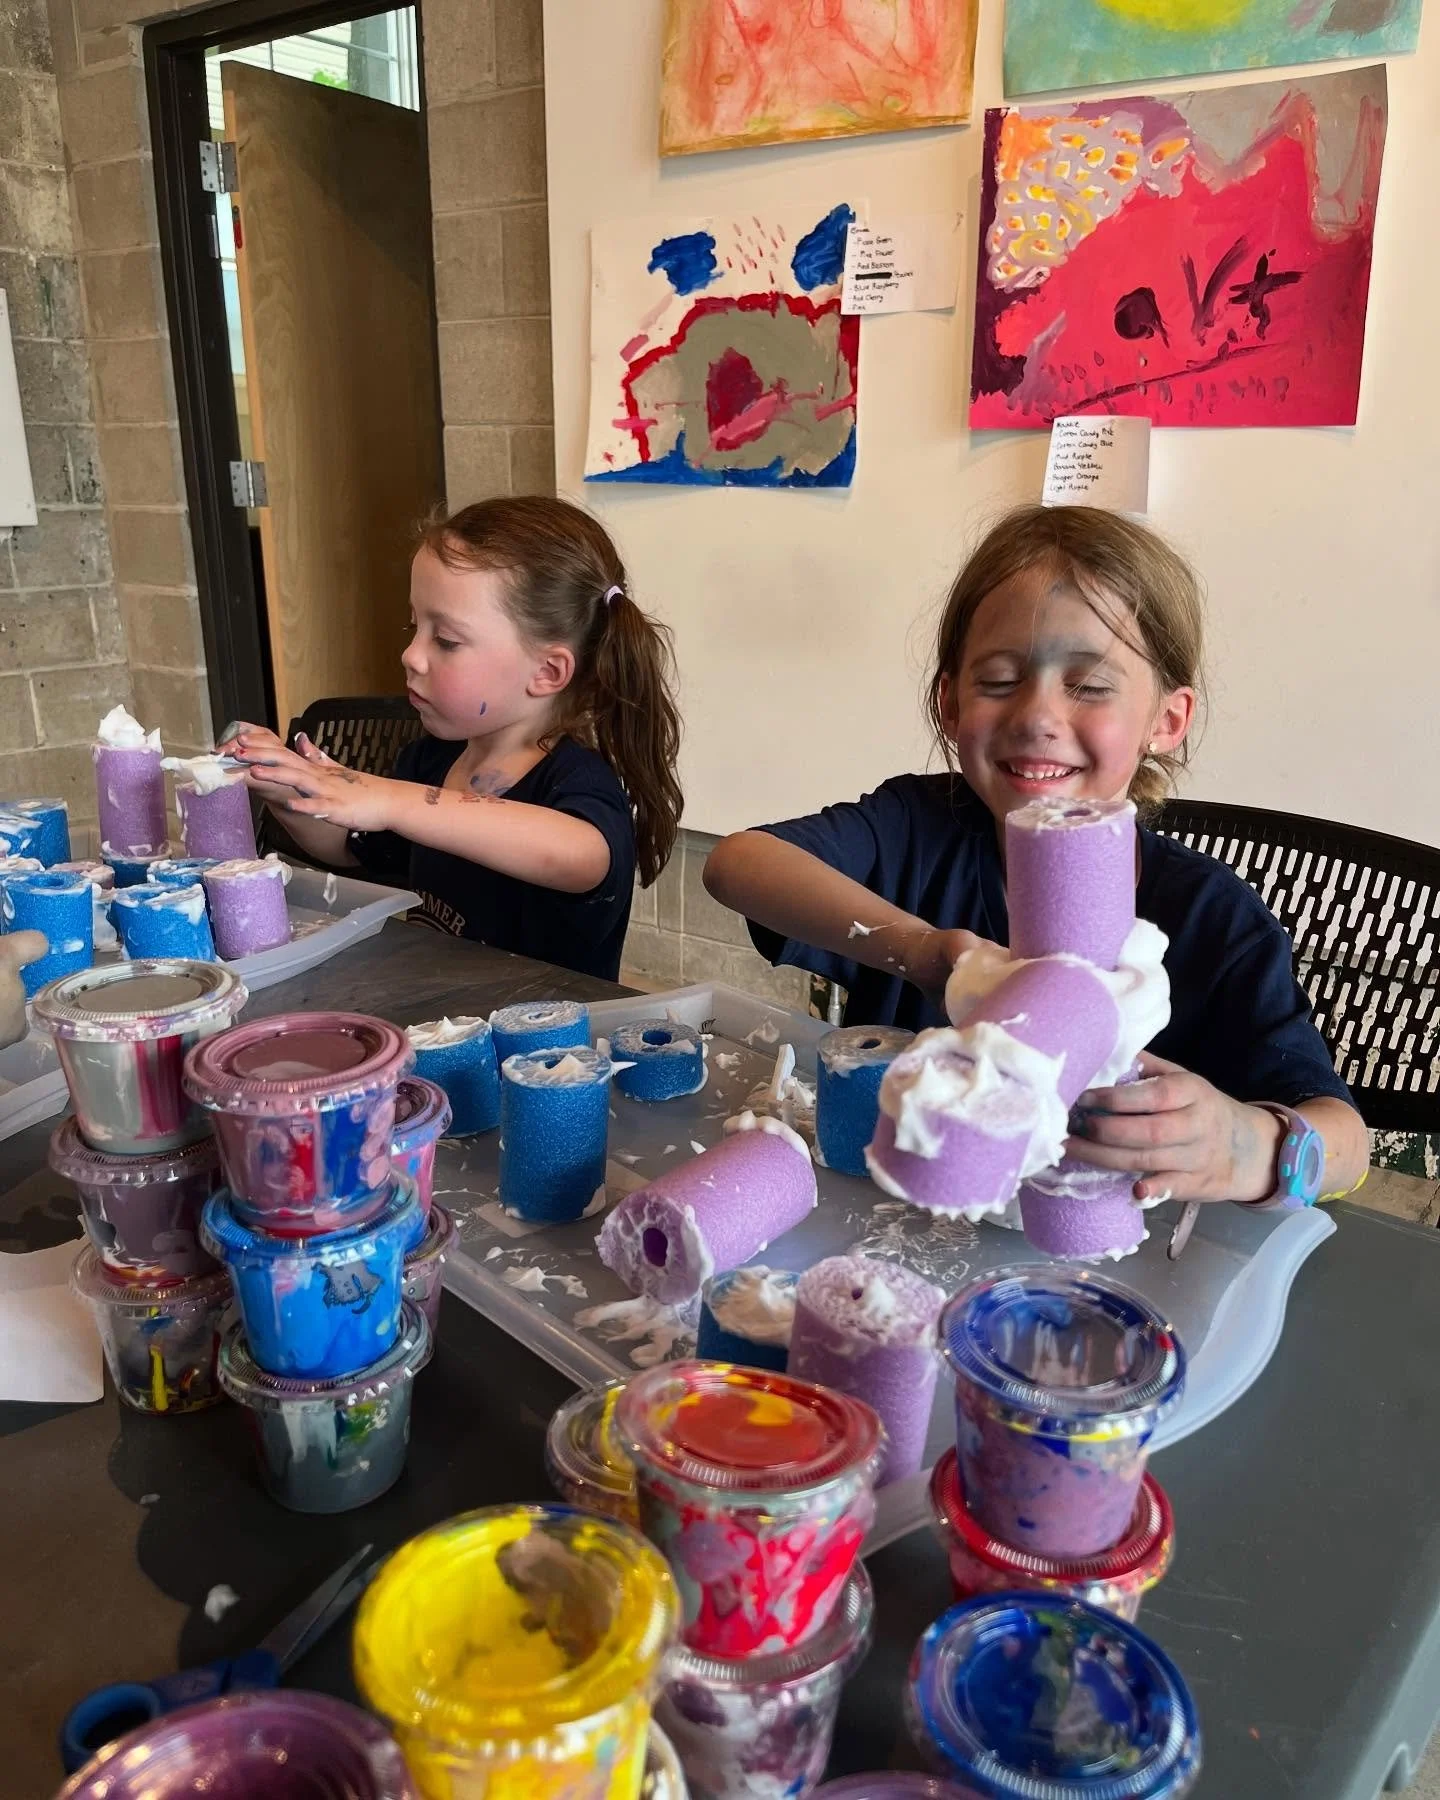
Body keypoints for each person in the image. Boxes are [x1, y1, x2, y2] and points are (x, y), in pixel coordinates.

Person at [704, 504, 1368, 1209]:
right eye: (997, 680)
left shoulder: (1211, 919)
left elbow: (1346, 1142)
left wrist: (1244, 1143)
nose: (1038, 716)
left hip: (1109, 1267)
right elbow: (738, 864)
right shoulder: (918, 829)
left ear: (1165, 721)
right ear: (950, 703)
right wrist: (928, 955)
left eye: (1089, 686)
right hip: (902, 1225)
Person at [224, 496, 683, 982]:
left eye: (445, 640)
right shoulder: (432, 760)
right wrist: (289, 792)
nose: (411, 655)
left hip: (545, 1052)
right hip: (442, 1021)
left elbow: (581, 854)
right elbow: (352, 846)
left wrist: (390, 799)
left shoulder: (577, 779)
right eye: (414, 626)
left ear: (547, 671)